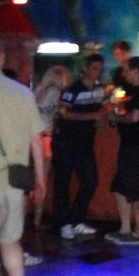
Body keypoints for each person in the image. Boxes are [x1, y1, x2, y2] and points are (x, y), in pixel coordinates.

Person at [0, 36, 45, 276]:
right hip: (15, 182)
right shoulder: (21, 92)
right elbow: (36, 140)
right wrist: (40, 179)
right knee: (11, 241)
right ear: (1, 58)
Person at [52, 53, 106, 240]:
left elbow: (99, 113)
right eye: (94, 69)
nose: (98, 72)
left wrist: (100, 120)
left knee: (90, 181)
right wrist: (91, 117)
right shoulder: (73, 89)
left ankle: (76, 219)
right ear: (86, 69)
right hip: (65, 141)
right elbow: (63, 113)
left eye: (100, 69)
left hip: (84, 143)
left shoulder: (99, 90)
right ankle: (64, 223)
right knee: (63, 182)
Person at [104, 56, 139, 245]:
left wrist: (116, 118)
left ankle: (138, 231)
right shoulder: (131, 89)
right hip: (130, 144)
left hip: (137, 145)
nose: (123, 73)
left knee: (133, 186)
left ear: (136, 71)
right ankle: (125, 229)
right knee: (120, 186)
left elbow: (134, 117)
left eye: (126, 70)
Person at [32, 64, 72, 228]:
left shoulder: (40, 92)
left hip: (38, 136)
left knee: (38, 176)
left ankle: (35, 218)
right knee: (42, 177)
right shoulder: (52, 93)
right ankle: (37, 219)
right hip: (45, 137)